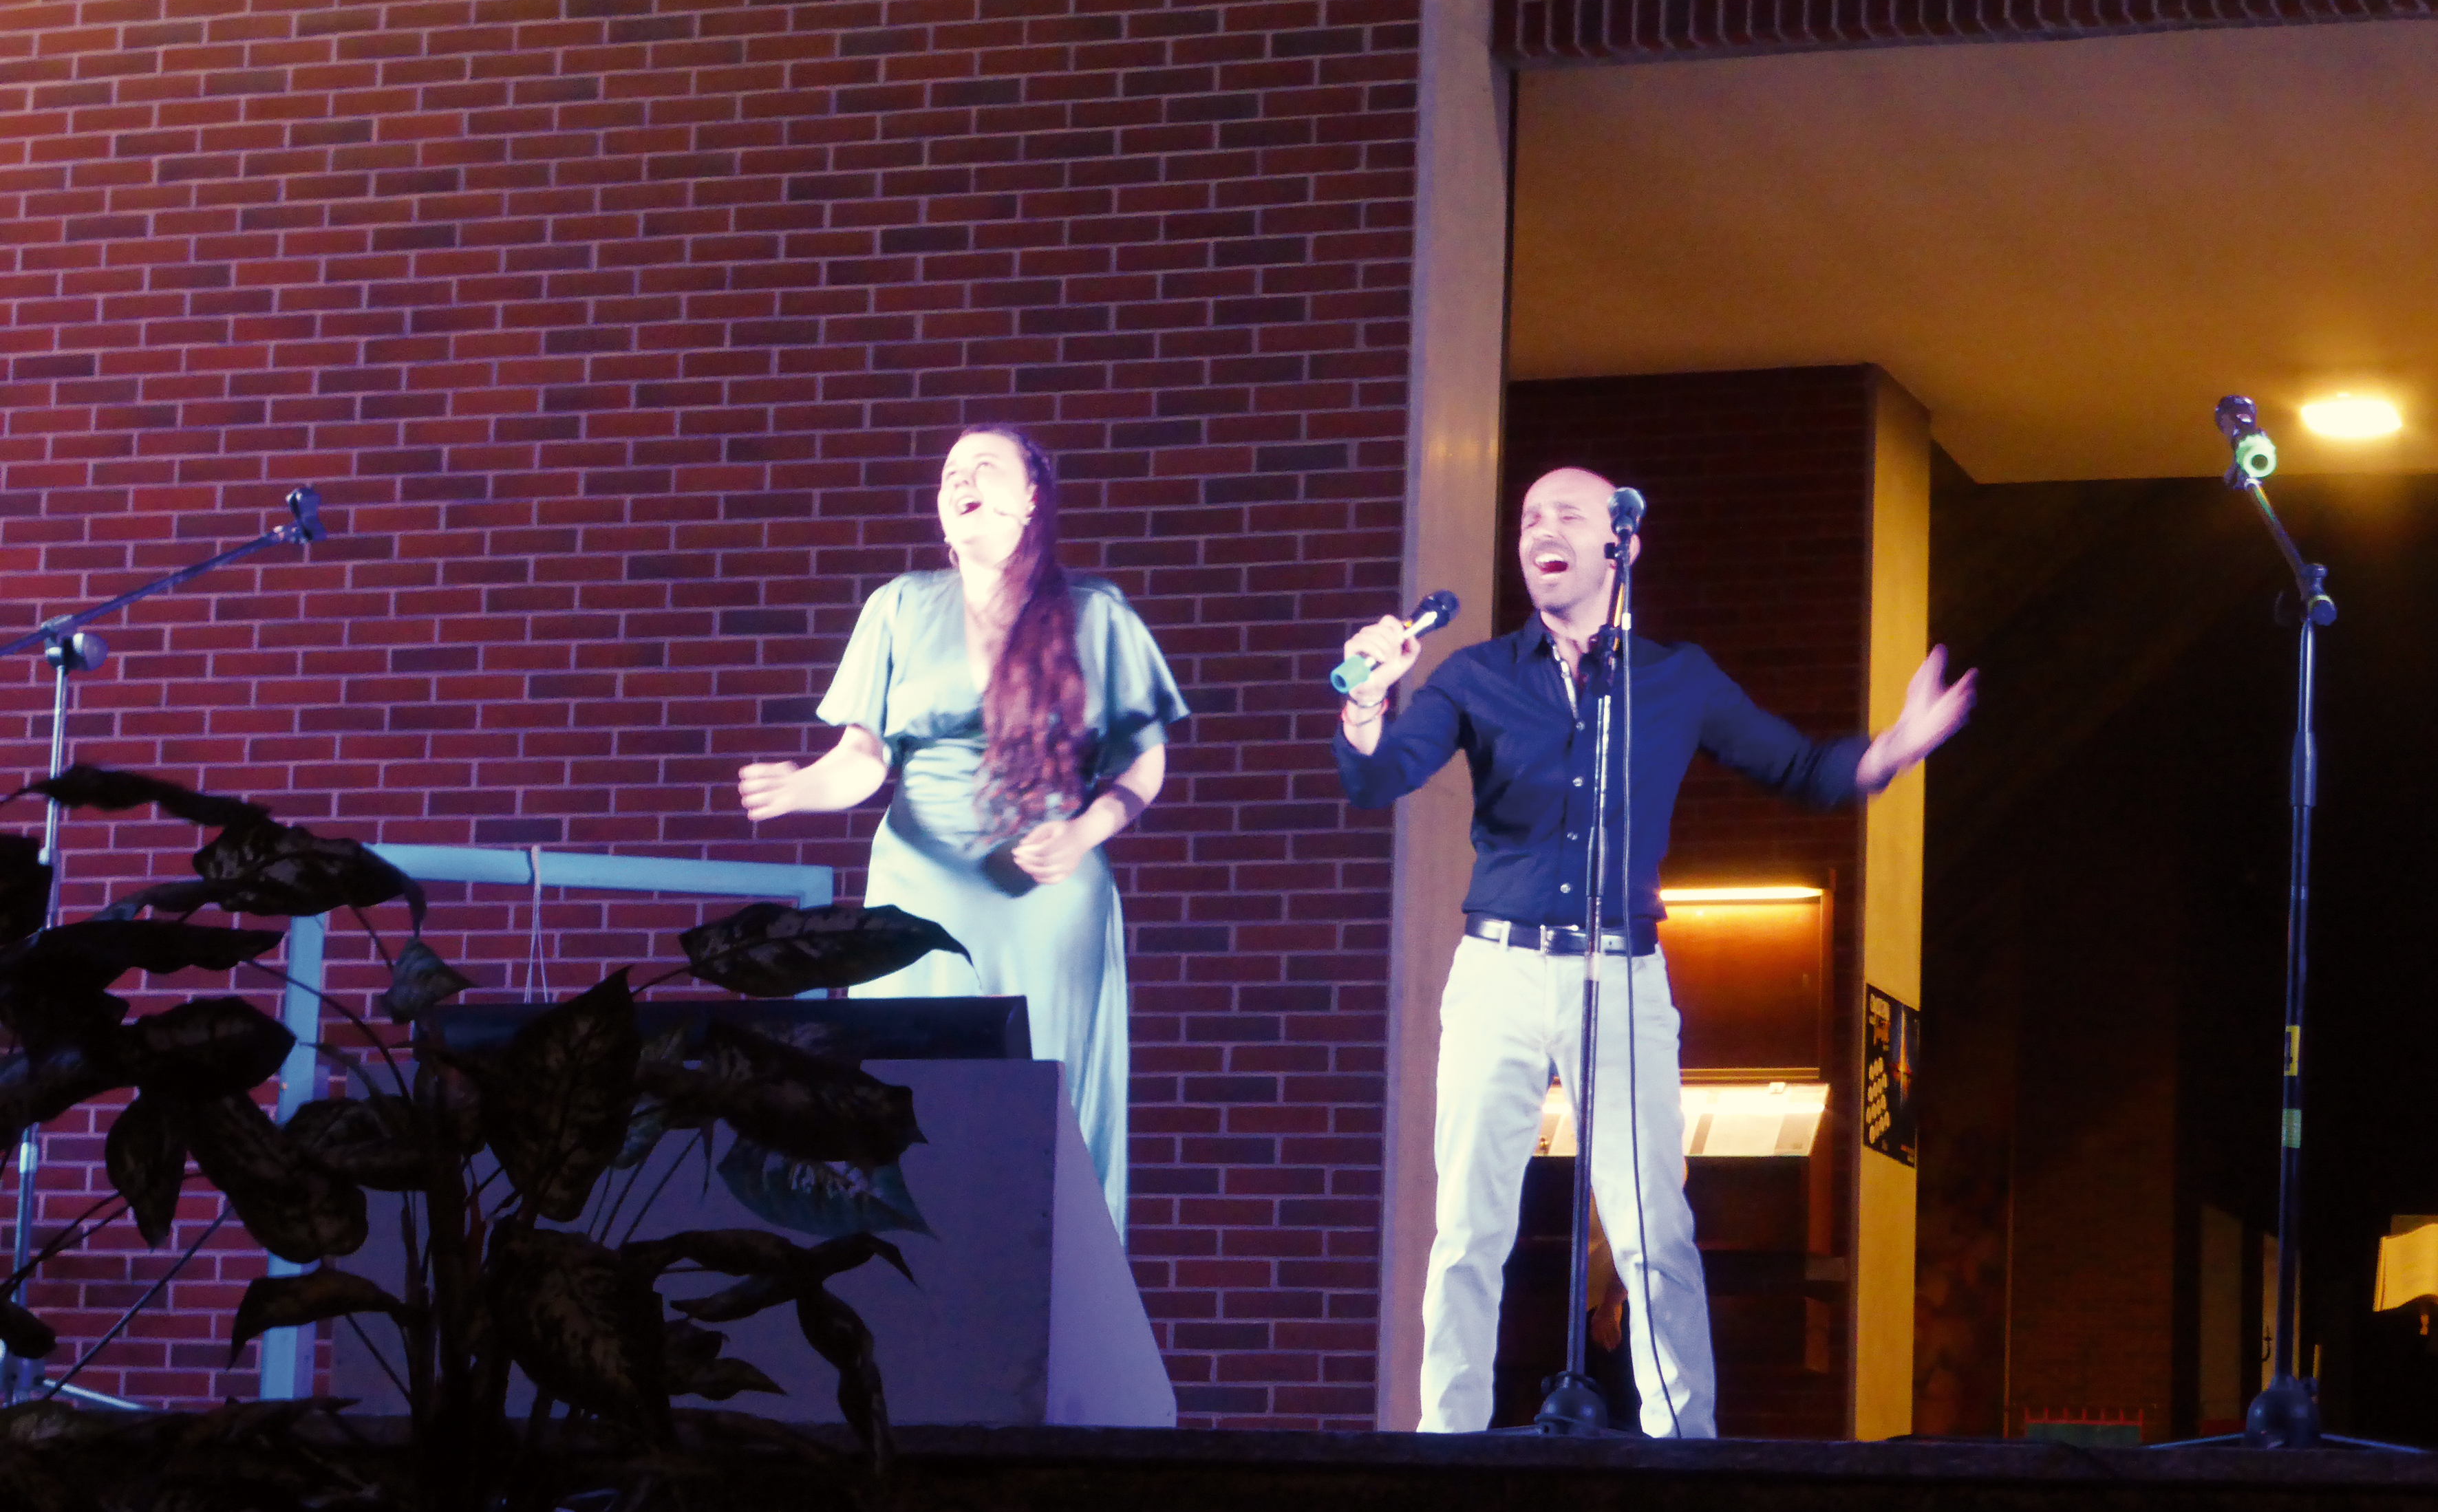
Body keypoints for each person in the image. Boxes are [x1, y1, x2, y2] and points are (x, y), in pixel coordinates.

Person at [1336, 466, 1974, 1436]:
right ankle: (1447, 1441)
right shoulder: (1474, 675)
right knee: (1468, 1224)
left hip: (1623, 970)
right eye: (1528, 518)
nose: (1540, 531)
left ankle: (1681, 1444)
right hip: (1498, 969)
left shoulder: (1677, 678)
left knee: (1651, 1225)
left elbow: (1799, 767)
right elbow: (1379, 778)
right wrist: (1365, 705)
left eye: (1566, 515)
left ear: (1621, 544)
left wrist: (1894, 747)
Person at [739, 425, 1188, 1233]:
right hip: (918, 892)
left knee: (1040, 1105)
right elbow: (863, 761)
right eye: (950, 472)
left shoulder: (1095, 614)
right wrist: (804, 785)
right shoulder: (900, 606)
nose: (961, 481)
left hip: (1044, 896)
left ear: (1031, 498)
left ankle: (1051, 1274)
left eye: (985, 467)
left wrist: (1083, 832)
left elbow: (1143, 767)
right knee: (906, 1093)